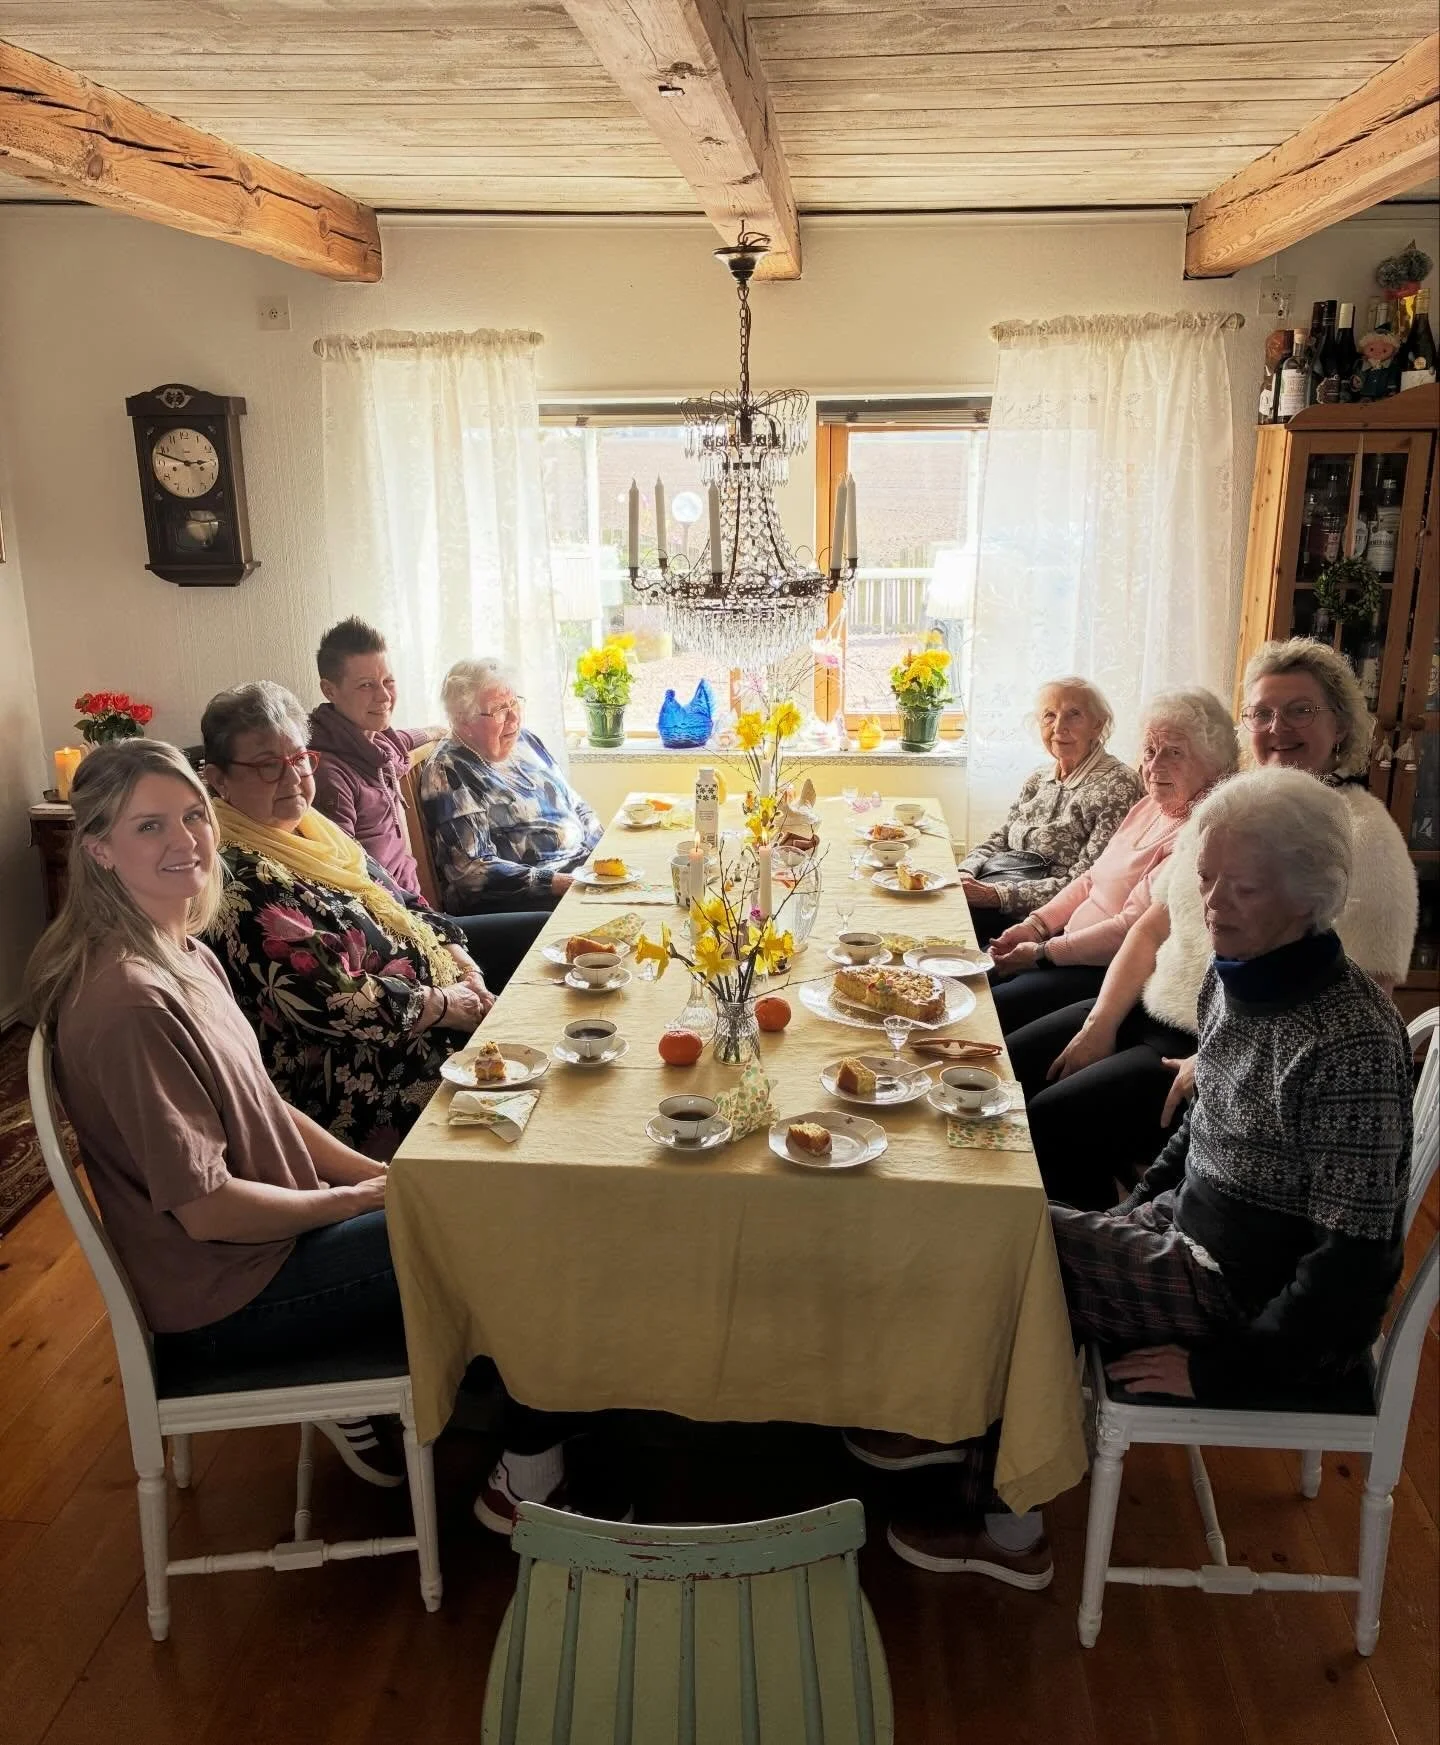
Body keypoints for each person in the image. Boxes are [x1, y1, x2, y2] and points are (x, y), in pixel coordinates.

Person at [849, 768, 1413, 1587]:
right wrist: (1138, 1211)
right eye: (1206, 877)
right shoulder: (1239, 970)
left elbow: (1355, 1268)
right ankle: (962, 1421)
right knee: (992, 1217)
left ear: (1308, 897)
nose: (1212, 903)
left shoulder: (1351, 1038)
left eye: (1242, 887)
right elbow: (1199, 1125)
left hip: (1242, 1294)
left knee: (1000, 1244)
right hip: (1190, 1233)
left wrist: (1220, 1368)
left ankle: (1009, 1528)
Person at [25, 738, 585, 1512]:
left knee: (475, 1193)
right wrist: (348, 1203)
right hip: (233, 1294)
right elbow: (208, 1210)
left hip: (271, 1240)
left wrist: (373, 1175)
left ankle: (506, 1400)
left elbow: (268, 1104)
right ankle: (527, 1482)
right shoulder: (129, 1004)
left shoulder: (181, 952)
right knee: (499, 1226)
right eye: (149, 826)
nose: (186, 840)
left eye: (193, 816)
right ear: (98, 849)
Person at [1009, 637, 1418, 1208]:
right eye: (1261, 713)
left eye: (1300, 710)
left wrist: (1214, 1061)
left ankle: (1085, 1249)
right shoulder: (1230, 807)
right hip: (1147, 1010)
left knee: (1049, 1122)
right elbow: (1152, 926)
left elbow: (1371, 990)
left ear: (1341, 726)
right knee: (1006, 1065)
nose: (1277, 728)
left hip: (1221, 1050)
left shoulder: (1363, 835)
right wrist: (1101, 1022)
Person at [201, 681, 509, 1160]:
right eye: (267, 766)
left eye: (300, 758)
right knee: (530, 1101)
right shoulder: (240, 880)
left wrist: (464, 967)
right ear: (218, 780)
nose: (292, 777)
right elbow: (338, 1000)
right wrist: (448, 1004)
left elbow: (405, 902)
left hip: (438, 1018)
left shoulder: (316, 832)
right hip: (367, 1079)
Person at [988, 689, 1238, 1033]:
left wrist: (1042, 952)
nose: (1154, 766)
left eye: (1174, 753)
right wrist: (1036, 925)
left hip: (1103, 973)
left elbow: (1128, 929)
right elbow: (1092, 878)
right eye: (1150, 751)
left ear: (1214, 764)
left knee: (989, 1006)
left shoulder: (1199, 834)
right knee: (974, 976)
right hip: (1063, 947)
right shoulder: (1150, 806)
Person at [958, 678, 1142, 945]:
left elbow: (1087, 881)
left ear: (1097, 724)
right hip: (996, 888)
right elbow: (1003, 836)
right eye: (1049, 715)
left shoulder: (1118, 785)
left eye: (1073, 714)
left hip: (1044, 920)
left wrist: (996, 895)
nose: (1058, 727)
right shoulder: (1039, 778)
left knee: (942, 936)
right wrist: (965, 872)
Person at [420, 659, 603, 914]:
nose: (514, 717)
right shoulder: (448, 771)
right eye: (499, 709)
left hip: (579, 873)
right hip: (528, 902)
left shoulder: (526, 742)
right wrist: (559, 883)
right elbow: (471, 871)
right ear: (463, 719)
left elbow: (575, 805)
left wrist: (604, 850)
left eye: (514, 702)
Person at [307, 616, 446, 898]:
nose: (384, 696)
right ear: (329, 690)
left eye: (388, 681)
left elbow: (404, 739)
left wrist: (438, 731)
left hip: (416, 907)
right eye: (366, 685)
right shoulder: (329, 775)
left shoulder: (377, 741)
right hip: (392, 915)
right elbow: (346, 883)